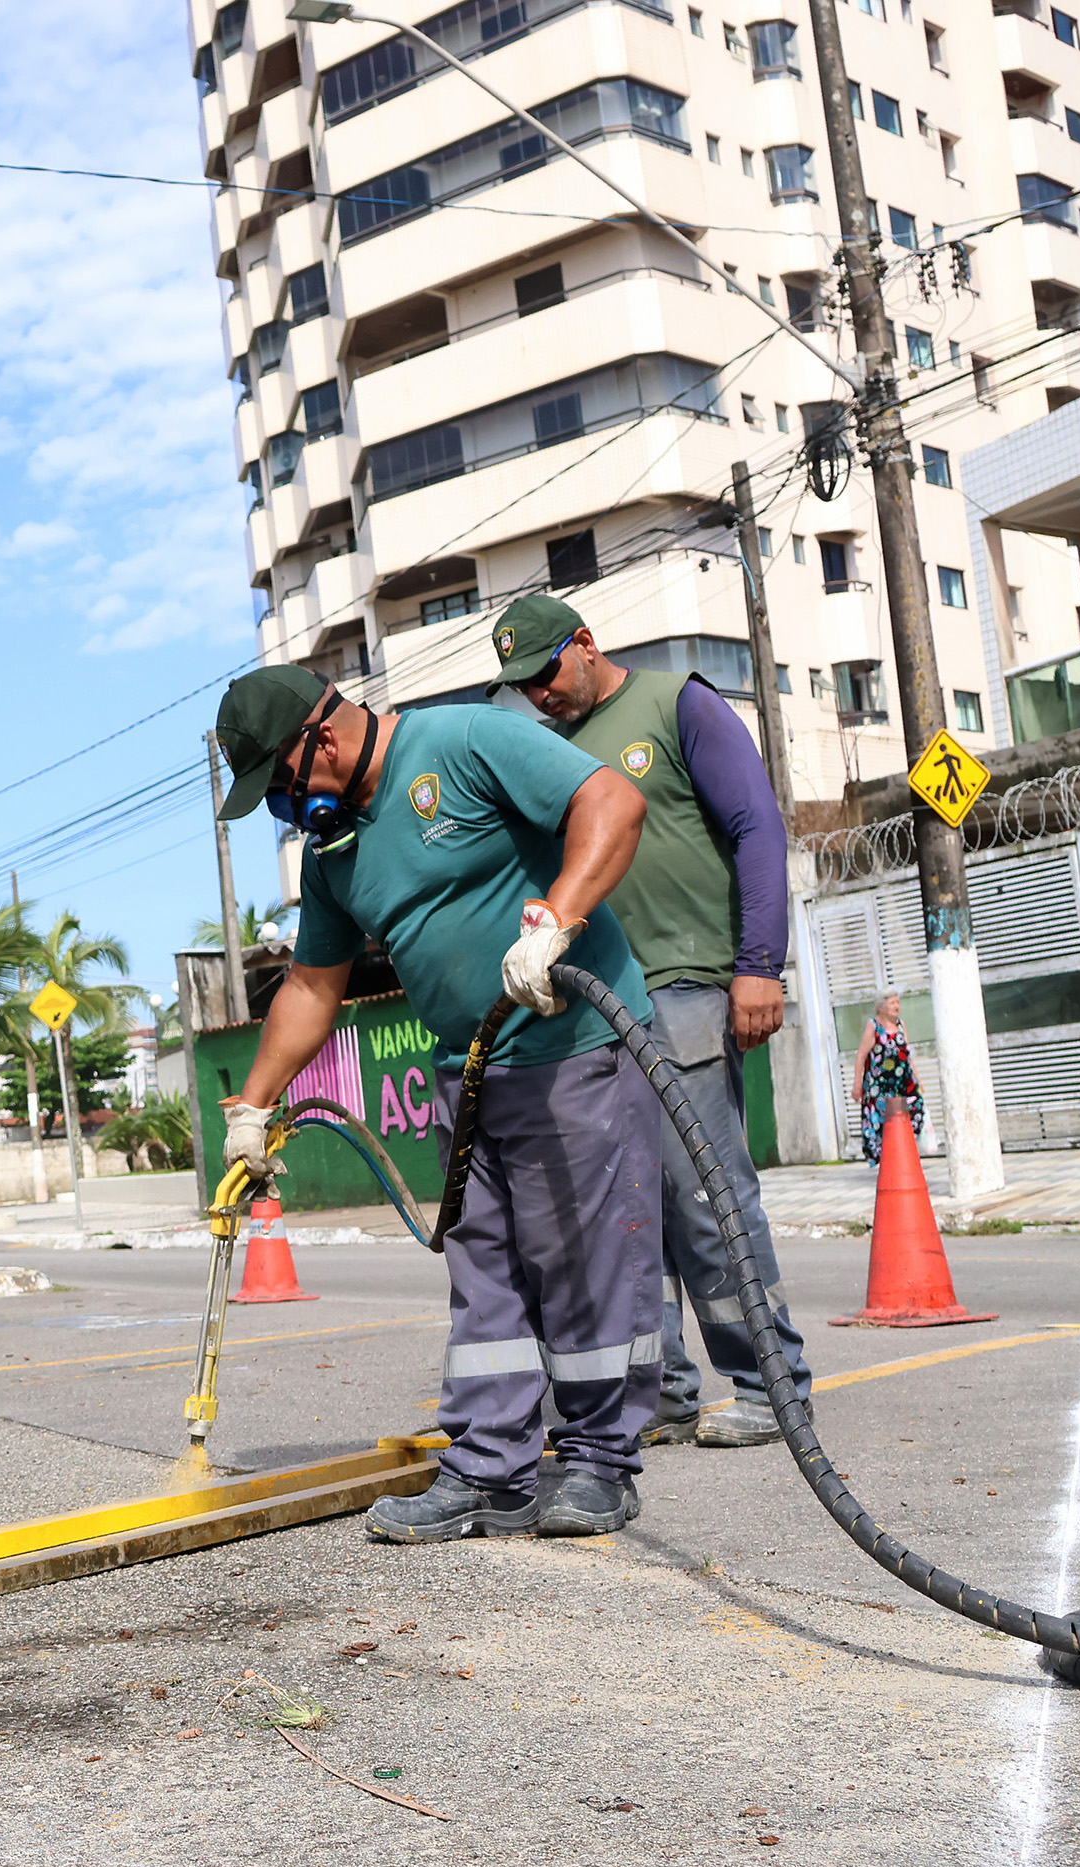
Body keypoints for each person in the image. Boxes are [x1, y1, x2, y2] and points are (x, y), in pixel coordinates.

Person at [210, 662, 663, 1541]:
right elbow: (311, 982)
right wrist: (252, 1106)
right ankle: (491, 1466)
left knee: (584, 1263)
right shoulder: (334, 850)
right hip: (470, 1070)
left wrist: (555, 922)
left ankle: (601, 1461)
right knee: (483, 1269)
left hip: (576, 1052)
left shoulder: (462, 741)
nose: (283, 809)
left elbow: (611, 802)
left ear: (324, 739)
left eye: (281, 786)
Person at [492, 595, 812, 1450]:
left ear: (586, 644)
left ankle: (768, 1384)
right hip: (596, 1009)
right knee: (627, 1213)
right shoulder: (546, 752)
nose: (537, 696)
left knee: (704, 1198)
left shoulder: (679, 706)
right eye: (520, 687)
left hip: (684, 987)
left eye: (545, 674)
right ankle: (661, 1391)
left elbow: (756, 828)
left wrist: (757, 966)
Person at [856, 992, 925, 1162]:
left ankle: (904, 1148)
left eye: (898, 1002)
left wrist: (918, 1080)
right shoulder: (873, 1026)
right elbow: (861, 1056)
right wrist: (857, 1085)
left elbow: (906, 1054)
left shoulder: (901, 1025)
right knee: (881, 1121)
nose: (897, 1006)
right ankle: (887, 1158)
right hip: (879, 1085)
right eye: (892, 1002)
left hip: (903, 1082)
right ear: (881, 1007)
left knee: (916, 1108)